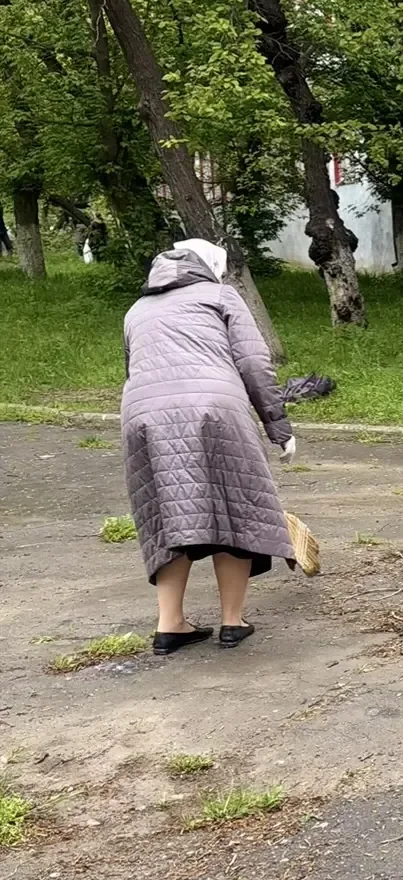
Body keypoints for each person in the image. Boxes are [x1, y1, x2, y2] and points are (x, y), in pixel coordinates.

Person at [121, 238, 296, 654]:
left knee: (167, 514)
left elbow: (134, 366)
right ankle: (232, 622)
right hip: (215, 408)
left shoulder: (136, 309)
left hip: (144, 414)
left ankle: (170, 625)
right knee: (235, 508)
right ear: (211, 267)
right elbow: (254, 362)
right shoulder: (220, 296)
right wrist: (278, 426)